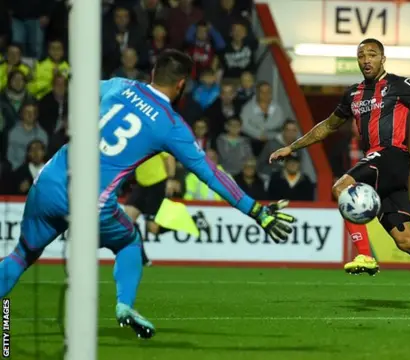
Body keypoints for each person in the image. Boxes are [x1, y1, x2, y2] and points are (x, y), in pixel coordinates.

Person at [0, 50, 296, 339]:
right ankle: (124, 305)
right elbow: (212, 174)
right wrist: (255, 210)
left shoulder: (120, 85)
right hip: (89, 200)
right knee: (129, 241)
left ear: (153, 74)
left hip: (49, 180)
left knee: (21, 254)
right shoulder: (170, 124)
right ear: (181, 85)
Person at [269, 38, 410, 313]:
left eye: (372, 54)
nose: (366, 59)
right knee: (406, 241)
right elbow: (327, 127)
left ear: (383, 59)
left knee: (341, 186)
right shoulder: (353, 94)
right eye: (361, 55)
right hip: (379, 165)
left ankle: (364, 255)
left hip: (392, 156)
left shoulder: (398, 85)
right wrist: (292, 146)